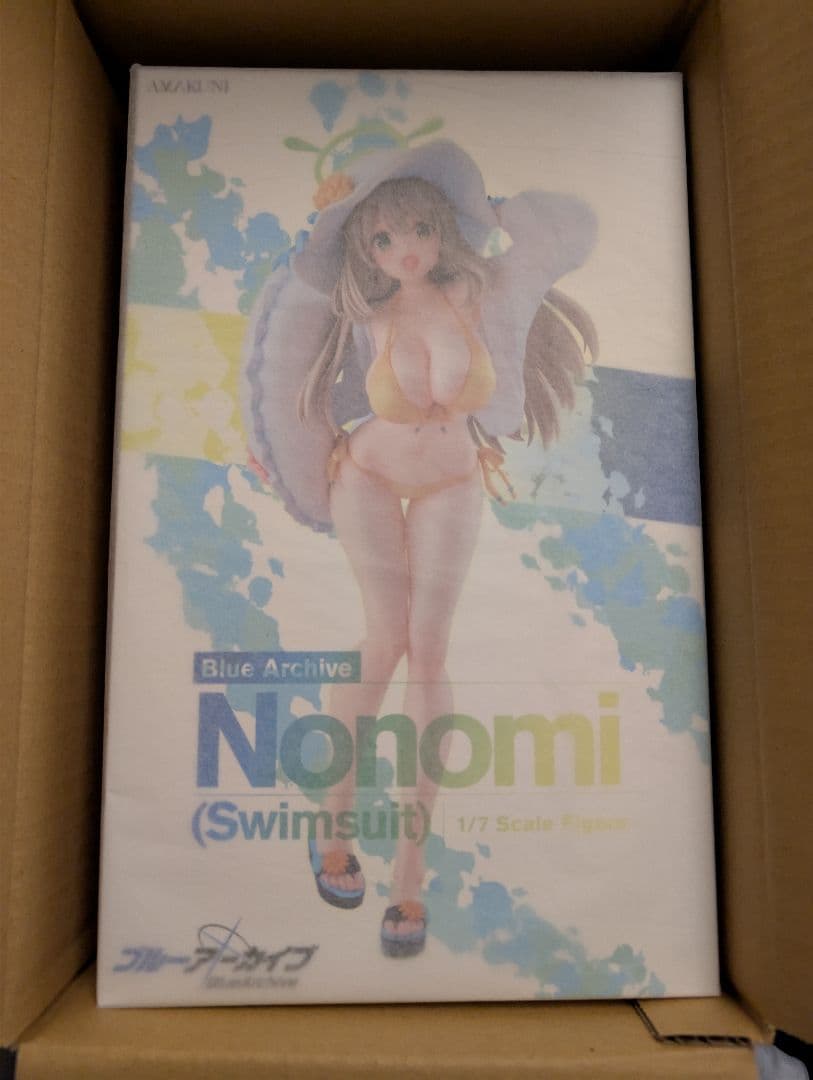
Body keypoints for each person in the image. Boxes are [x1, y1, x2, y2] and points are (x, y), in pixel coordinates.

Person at [242, 139, 598, 958]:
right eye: (383, 237)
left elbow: (565, 233)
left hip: (452, 479)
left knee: (428, 653)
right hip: (366, 474)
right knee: (384, 643)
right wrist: (279, 449)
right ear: (364, 250)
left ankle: (409, 874)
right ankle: (333, 826)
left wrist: (498, 210)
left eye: (419, 229)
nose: (405, 250)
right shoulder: (363, 313)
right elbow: (284, 330)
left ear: (441, 229)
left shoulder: (481, 291)